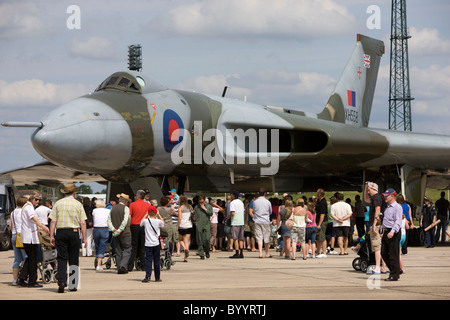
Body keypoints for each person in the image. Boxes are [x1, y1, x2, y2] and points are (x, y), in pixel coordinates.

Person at [49, 184, 87, 293]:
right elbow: (83, 222)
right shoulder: (78, 204)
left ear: (64, 192)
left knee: (61, 258)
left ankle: (61, 281)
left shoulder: (58, 203)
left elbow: (53, 221)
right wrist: (84, 238)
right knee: (74, 258)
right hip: (74, 232)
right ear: (73, 193)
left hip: (61, 232)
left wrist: (52, 235)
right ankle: (73, 285)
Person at [17, 192, 50, 288]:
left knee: (30, 258)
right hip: (29, 238)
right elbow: (34, 219)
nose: (38, 201)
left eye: (39, 200)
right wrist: (44, 227)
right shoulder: (29, 207)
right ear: (32, 199)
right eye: (37, 200)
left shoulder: (26, 207)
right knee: (33, 259)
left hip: (28, 237)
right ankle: (32, 281)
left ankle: (22, 278)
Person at [128, 190, 157, 271]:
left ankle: (130, 265)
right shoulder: (148, 205)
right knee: (143, 246)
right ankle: (144, 265)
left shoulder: (133, 204)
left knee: (134, 246)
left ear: (137, 196)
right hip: (144, 226)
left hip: (135, 226)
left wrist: (129, 225)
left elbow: (130, 216)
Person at [364, 181, 387, 275]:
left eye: (369, 190)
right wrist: (366, 186)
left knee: (377, 247)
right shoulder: (375, 197)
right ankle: (383, 267)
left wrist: (374, 225)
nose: (368, 192)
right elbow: (365, 199)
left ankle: (377, 267)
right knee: (379, 247)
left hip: (376, 225)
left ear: (374, 189)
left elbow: (378, 210)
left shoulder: (377, 197)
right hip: (378, 225)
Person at [380, 188, 403, 281]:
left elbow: (398, 221)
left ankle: (394, 275)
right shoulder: (387, 207)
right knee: (384, 253)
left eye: (387, 195)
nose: (385, 197)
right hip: (386, 231)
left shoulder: (397, 207)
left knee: (393, 254)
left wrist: (392, 232)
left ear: (392, 196)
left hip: (393, 232)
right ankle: (396, 269)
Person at [108, 193, 132, 274]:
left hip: (115, 233)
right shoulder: (126, 208)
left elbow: (109, 221)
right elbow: (125, 221)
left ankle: (119, 267)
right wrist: (120, 230)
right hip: (125, 233)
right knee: (127, 249)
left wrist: (113, 229)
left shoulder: (113, 208)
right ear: (125, 201)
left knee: (118, 250)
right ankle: (123, 265)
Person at [140, 209, 164, 282]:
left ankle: (148, 276)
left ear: (148, 213)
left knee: (148, 261)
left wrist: (145, 215)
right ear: (156, 213)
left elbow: (140, 223)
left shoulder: (146, 221)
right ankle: (157, 277)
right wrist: (159, 215)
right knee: (157, 261)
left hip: (148, 244)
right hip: (156, 243)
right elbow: (163, 223)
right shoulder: (158, 221)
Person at [9, 196, 28, 286]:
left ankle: (15, 280)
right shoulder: (24, 212)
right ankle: (23, 277)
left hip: (14, 235)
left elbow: (10, 226)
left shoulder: (13, 212)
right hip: (22, 236)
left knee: (17, 259)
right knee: (26, 257)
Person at [250, 191, 273, 259]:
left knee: (259, 237)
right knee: (266, 237)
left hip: (257, 220)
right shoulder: (268, 202)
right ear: (264, 194)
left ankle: (260, 253)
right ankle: (266, 253)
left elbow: (253, 210)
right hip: (265, 220)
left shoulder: (255, 202)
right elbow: (270, 211)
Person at [92, 200, 111, 270]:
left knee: (97, 246)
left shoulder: (94, 211)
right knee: (102, 246)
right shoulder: (107, 211)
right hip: (105, 229)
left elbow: (94, 221)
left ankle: (98, 261)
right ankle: (99, 264)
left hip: (96, 229)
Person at [226, 191, 245, 259]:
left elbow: (232, 213)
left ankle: (237, 253)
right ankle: (241, 253)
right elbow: (243, 212)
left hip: (235, 222)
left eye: (231, 194)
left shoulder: (232, 203)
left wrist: (228, 217)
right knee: (241, 238)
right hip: (241, 222)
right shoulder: (241, 202)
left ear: (233, 195)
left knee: (235, 238)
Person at [195, 195, 214, 259]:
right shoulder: (196, 207)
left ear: (204, 201)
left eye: (202, 202)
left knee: (207, 239)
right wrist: (196, 223)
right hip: (199, 224)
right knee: (199, 240)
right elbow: (194, 216)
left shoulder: (209, 206)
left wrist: (205, 209)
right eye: (200, 202)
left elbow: (211, 213)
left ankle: (207, 251)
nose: (201, 204)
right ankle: (201, 253)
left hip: (206, 224)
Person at [177, 195, 194, 262]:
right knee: (186, 241)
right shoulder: (190, 207)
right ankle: (185, 258)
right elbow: (192, 214)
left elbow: (180, 218)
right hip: (189, 225)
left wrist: (177, 226)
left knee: (180, 240)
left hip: (182, 226)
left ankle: (185, 249)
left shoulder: (180, 207)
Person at [315, 189, 328, 258]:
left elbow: (322, 215)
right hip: (318, 221)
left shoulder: (323, 202)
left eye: (317, 192)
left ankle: (324, 252)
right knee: (318, 237)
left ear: (320, 194)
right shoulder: (319, 201)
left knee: (322, 237)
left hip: (322, 222)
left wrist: (319, 224)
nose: (316, 193)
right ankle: (318, 251)